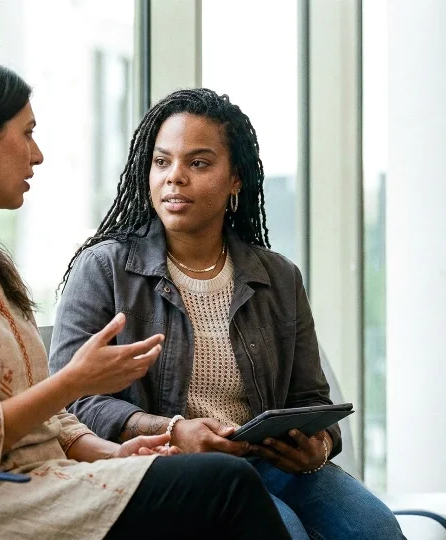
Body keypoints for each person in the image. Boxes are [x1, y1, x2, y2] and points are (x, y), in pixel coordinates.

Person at [0, 58, 290, 540]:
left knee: (214, 489)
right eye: (27, 133)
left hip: (40, 486)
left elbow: (42, 418)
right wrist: (73, 381)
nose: (37, 155)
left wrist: (109, 452)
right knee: (224, 486)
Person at [49, 88, 404, 540]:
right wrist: (172, 431)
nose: (175, 178)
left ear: (235, 179)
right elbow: (71, 400)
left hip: (269, 463)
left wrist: (319, 445)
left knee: (376, 527)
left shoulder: (278, 277)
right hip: (166, 468)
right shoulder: (105, 269)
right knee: (285, 530)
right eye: (162, 162)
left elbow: (313, 399)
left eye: (198, 163)